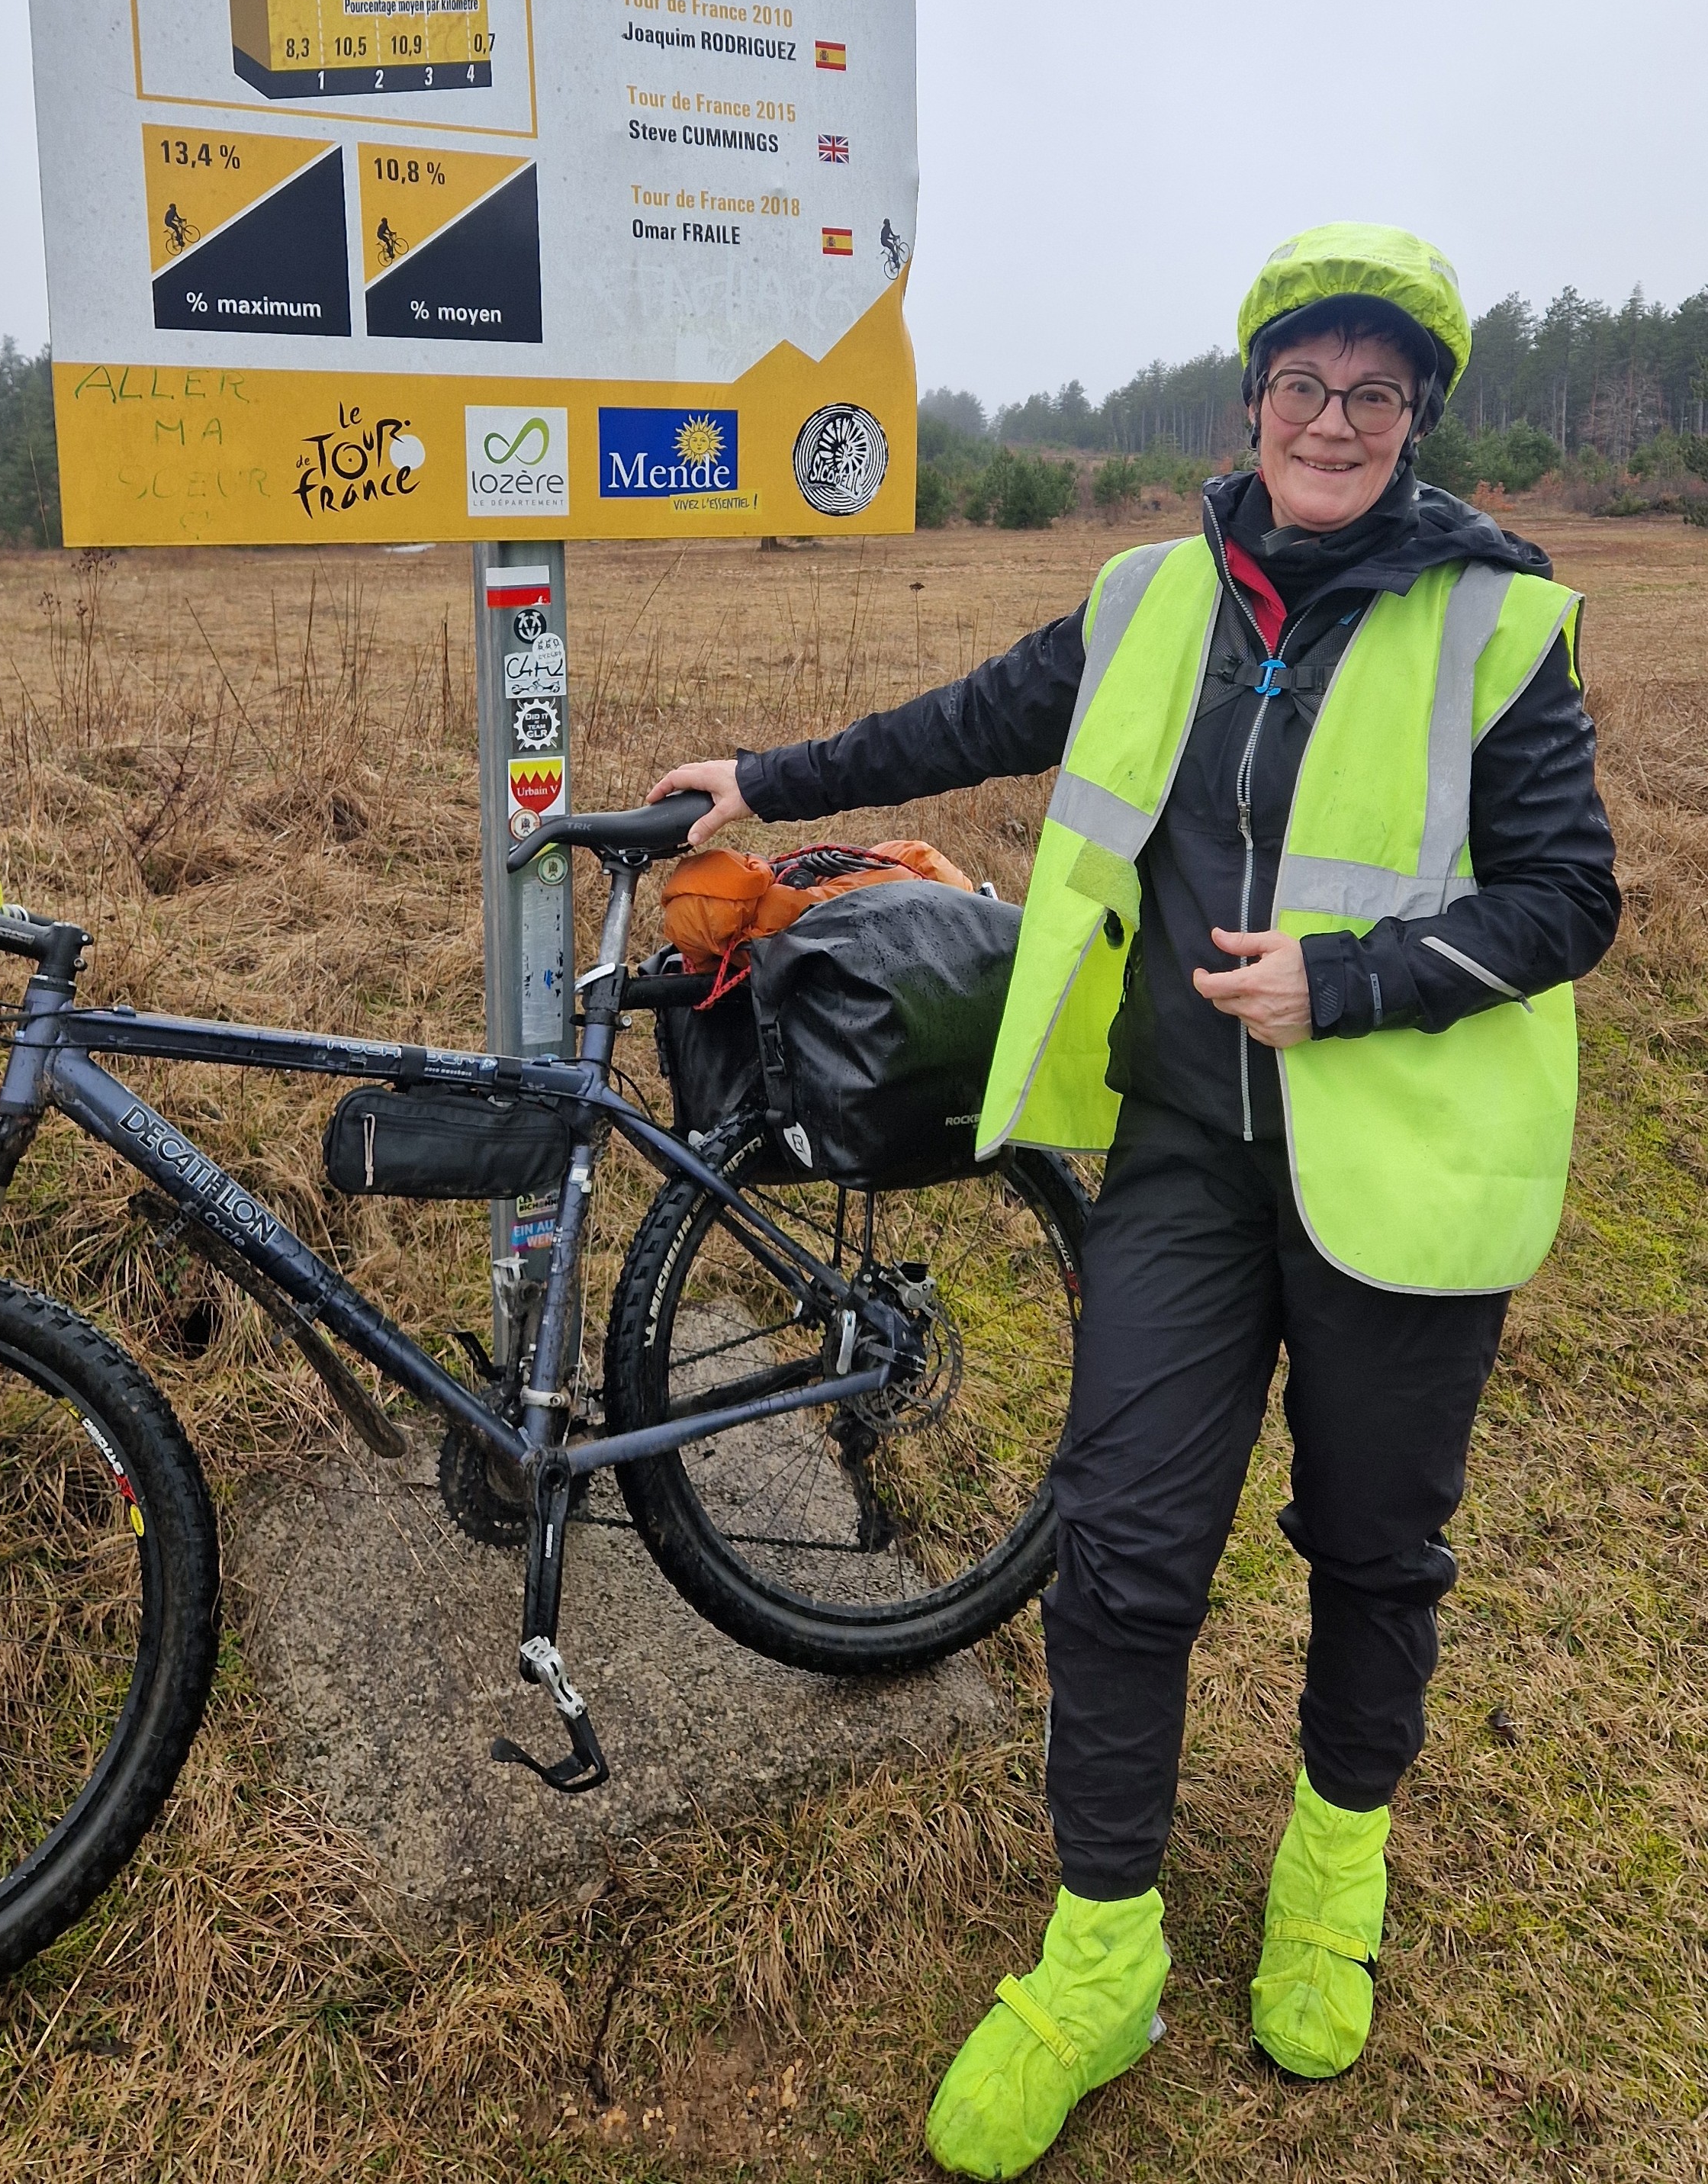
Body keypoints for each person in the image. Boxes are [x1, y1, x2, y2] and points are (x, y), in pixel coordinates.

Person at [650, 225, 1618, 2178]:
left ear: (1415, 417)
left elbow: (1567, 895)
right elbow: (967, 721)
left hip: (1401, 1174)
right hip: (1183, 1155)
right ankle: (1103, 1955)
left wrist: (1351, 980)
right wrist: (761, 773)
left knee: (1373, 1547)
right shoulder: (1150, 597)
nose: (1331, 419)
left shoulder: (1499, 625)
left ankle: (1331, 1875)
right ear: (1249, 402)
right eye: (1302, 384)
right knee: (1119, 1550)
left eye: (1372, 392)